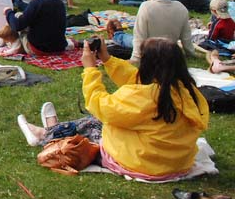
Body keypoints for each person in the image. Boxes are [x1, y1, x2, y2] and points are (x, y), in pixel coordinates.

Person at [18, 39, 208, 181]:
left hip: (146, 164)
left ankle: (47, 134)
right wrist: (107, 59)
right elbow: (138, 78)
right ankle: (52, 129)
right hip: (177, 162)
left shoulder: (144, 98)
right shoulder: (186, 91)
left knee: (97, 123)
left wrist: (91, 70)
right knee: (104, 121)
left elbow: (99, 104)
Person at [109, 0, 195, 63]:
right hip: (171, 51)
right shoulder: (181, 7)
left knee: (127, 39)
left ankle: (117, 34)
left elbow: (139, 36)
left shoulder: (146, 7)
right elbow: (186, 36)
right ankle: (118, 35)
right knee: (130, 39)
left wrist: (135, 58)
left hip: (151, 50)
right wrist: (190, 54)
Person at [4, 0, 68, 55]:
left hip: (39, 49)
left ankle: (15, 47)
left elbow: (18, 26)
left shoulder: (37, 3)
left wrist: (8, 12)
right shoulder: (59, 3)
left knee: (17, 16)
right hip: (59, 47)